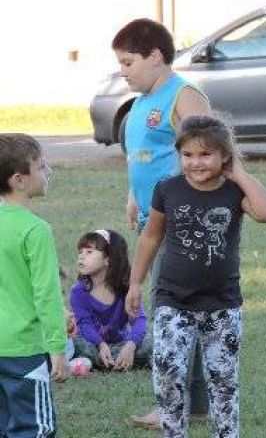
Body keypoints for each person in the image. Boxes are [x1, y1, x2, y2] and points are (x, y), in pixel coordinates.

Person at [126, 115, 266, 438]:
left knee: (223, 383)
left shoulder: (235, 191)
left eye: (206, 154)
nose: (196, 163)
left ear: (225, 155)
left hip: (222, 304)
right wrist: (135, 282)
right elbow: (151, 237)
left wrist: (240, 174)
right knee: (168, 376)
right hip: (173, 301)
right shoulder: (168, 189)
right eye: (188, 155)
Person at [111, 18, 212, 428]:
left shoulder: (183, 97)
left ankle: (173, 405)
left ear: (156, 56)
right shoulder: (139, 102)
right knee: (185, 310)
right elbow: (143, 155)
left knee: (172, 312)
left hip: (183, 223)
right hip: (154, 217)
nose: (123, 71)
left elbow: (211, 157)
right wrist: (134, 193)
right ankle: (198, 402)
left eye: (129, 61)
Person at [0, 133, 68, 437]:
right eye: (40, 167)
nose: (47, 171)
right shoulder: (36, 230)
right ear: (19, 179)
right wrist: (57, 347)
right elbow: (47, 294)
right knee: (34, 427)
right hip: (24, 349)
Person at [70, 229, 151, 371]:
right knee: (73, 344)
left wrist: (130, 347)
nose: (81, 257)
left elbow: (139, 320)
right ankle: (102, 360)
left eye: (89, 252)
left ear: (108, 259)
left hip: (121, 343)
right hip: (91, 344)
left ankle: (116, 359)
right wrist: (100, 345)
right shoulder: (78, 291)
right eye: (80, 252)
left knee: (152, 340)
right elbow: (84, 323)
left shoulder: (126, 289)